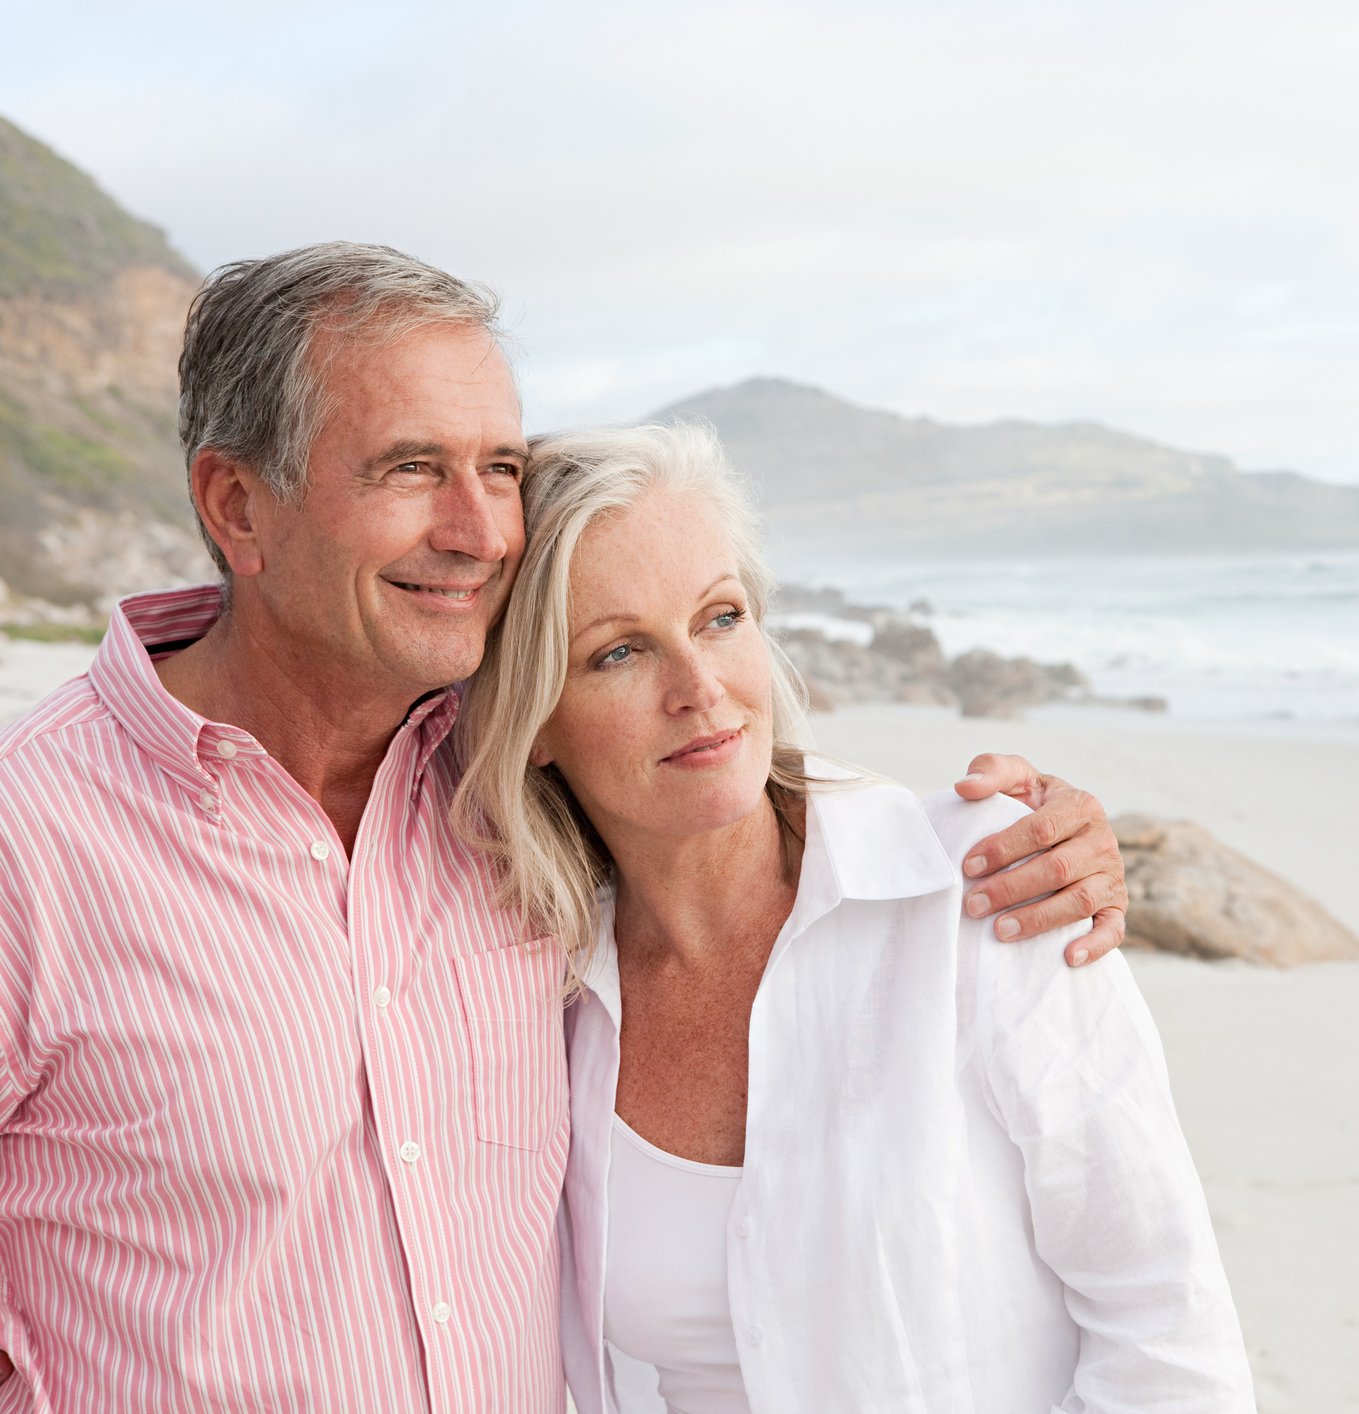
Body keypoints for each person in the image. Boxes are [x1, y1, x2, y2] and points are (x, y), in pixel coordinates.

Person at [0, 243, 1131, 1411]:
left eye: (499, 466)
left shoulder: (503, 790)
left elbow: (701, 759)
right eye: (410, 468)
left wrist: (994, 837)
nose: (482, 528)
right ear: (238, 504)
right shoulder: (30, 841)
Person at [452, 421, 1254, 1413]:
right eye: (618, 652)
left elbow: (1168, 1329)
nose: (701, 690)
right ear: (530, 723)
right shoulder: (530, 989)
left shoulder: (987, 884)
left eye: (719, 617)